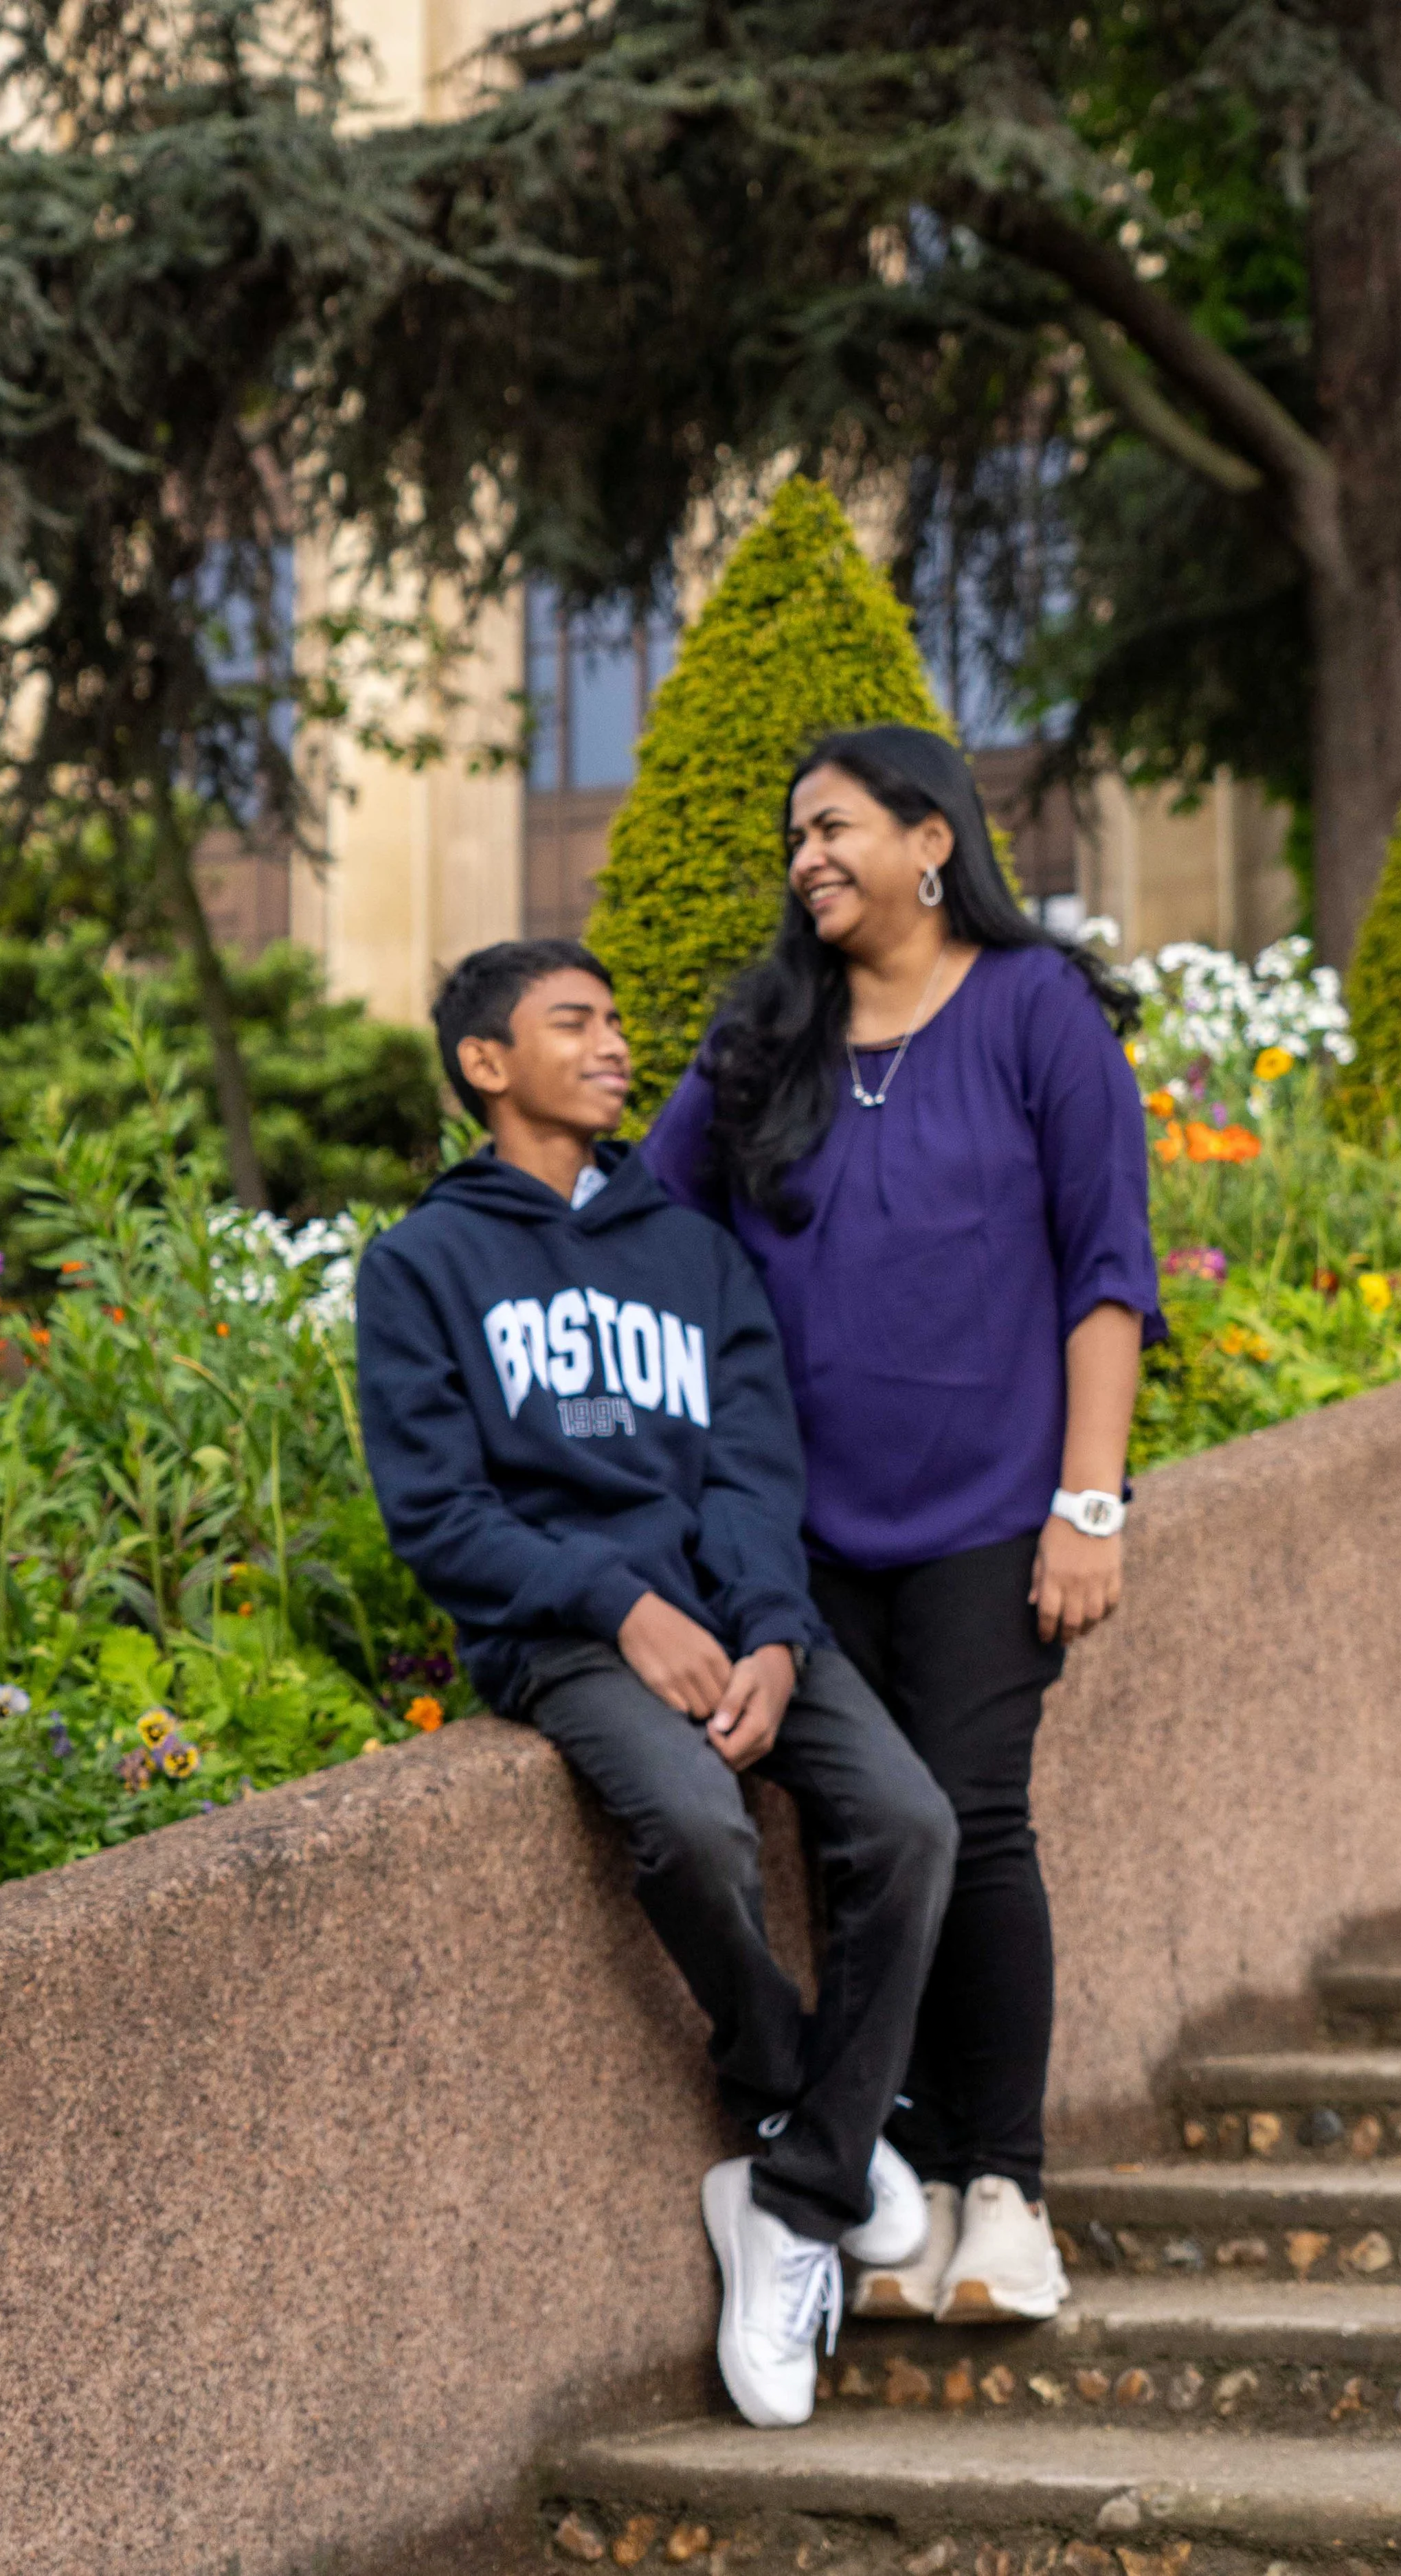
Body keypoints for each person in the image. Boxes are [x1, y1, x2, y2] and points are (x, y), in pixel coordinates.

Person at [355, 936, 959, 2428]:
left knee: (910, 1822)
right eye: (576, 1023)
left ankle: (789, 2192)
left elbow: (753, 1465)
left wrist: (762, 1626)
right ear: (487, 1065)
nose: (616, 1045)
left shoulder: (690, 1251)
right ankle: (799, 2108)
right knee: (694, 1823)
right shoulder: (422, 1265)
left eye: (618, 1021)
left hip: (737, 1616)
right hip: (566, 1634)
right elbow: (439, 1519)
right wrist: (619, 1604)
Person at [642, 727, 1163, 2326]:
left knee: (972, 1818)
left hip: (989, 1520)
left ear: (932, 841)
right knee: (870, 1844)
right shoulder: (761, 1039)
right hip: (796, 1541)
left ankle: (1003, 2192)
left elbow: (1105, 1270)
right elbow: (652, 1238)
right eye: (791, 838)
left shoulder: (1031, 1011)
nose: (804, 859)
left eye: (834, 828)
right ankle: (906, 2188)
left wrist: (1085, 1503)